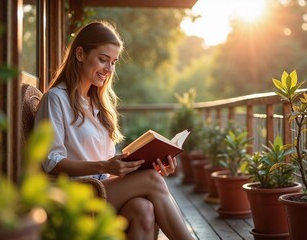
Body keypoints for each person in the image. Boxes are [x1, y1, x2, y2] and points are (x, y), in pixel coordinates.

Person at [34, 20, 194, 240]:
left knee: (143, 209)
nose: (109, 69)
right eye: (103, 60)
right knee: (153, 182)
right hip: (75, 195)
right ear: (80, 54)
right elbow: (51, 163)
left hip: (102, 188)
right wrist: (106, 165)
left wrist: (138, 166)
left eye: (113, 62)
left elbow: (108, 166)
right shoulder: (55, 99)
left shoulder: (98, 105)